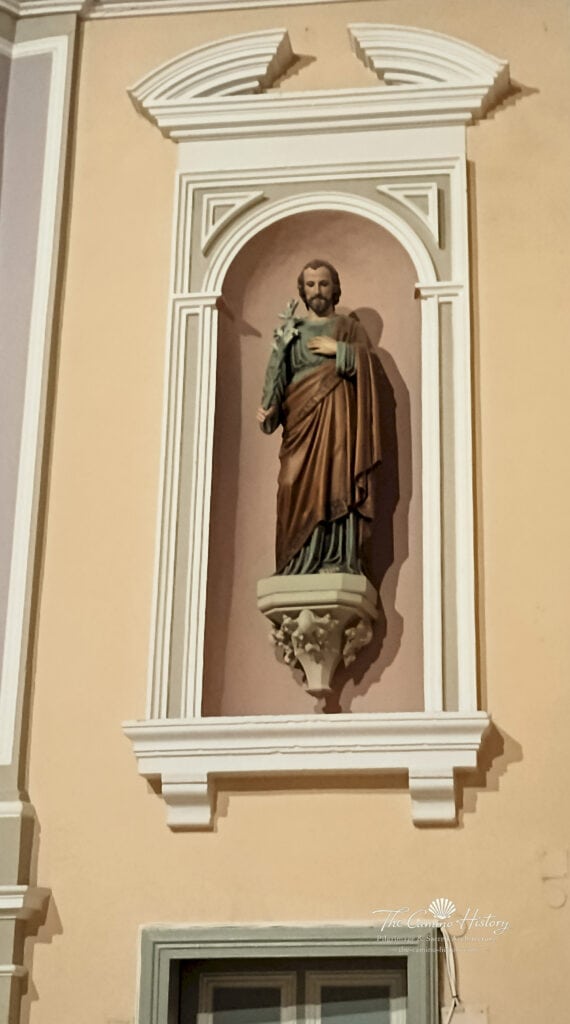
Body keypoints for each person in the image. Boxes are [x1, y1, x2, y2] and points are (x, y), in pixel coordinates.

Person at [257, 259, 383, 580]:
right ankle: (295, 563)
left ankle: (337, 557)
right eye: (311, 284)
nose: (317, 291)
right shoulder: (291, 331)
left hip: (338, 422)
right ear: (302, 290)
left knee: (335, 481)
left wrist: (341, 350)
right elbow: (277, 380)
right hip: (300, 425)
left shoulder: (348, 328)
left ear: (334, 289)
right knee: (290, 483)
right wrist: (269, 410)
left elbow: (368, 370)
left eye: (324, 284)